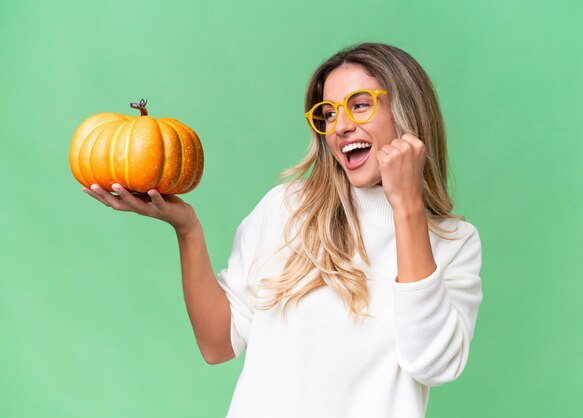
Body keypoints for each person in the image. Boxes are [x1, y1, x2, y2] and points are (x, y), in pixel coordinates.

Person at [83, 42, 483, 418]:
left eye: (359, 106)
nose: (340, 126)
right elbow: (217, 344)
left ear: (408, 113)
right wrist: (187, 228)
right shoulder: (288, 207)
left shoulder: (454, 243)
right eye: (328, 113)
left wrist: (408, 207)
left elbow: (434, 364)